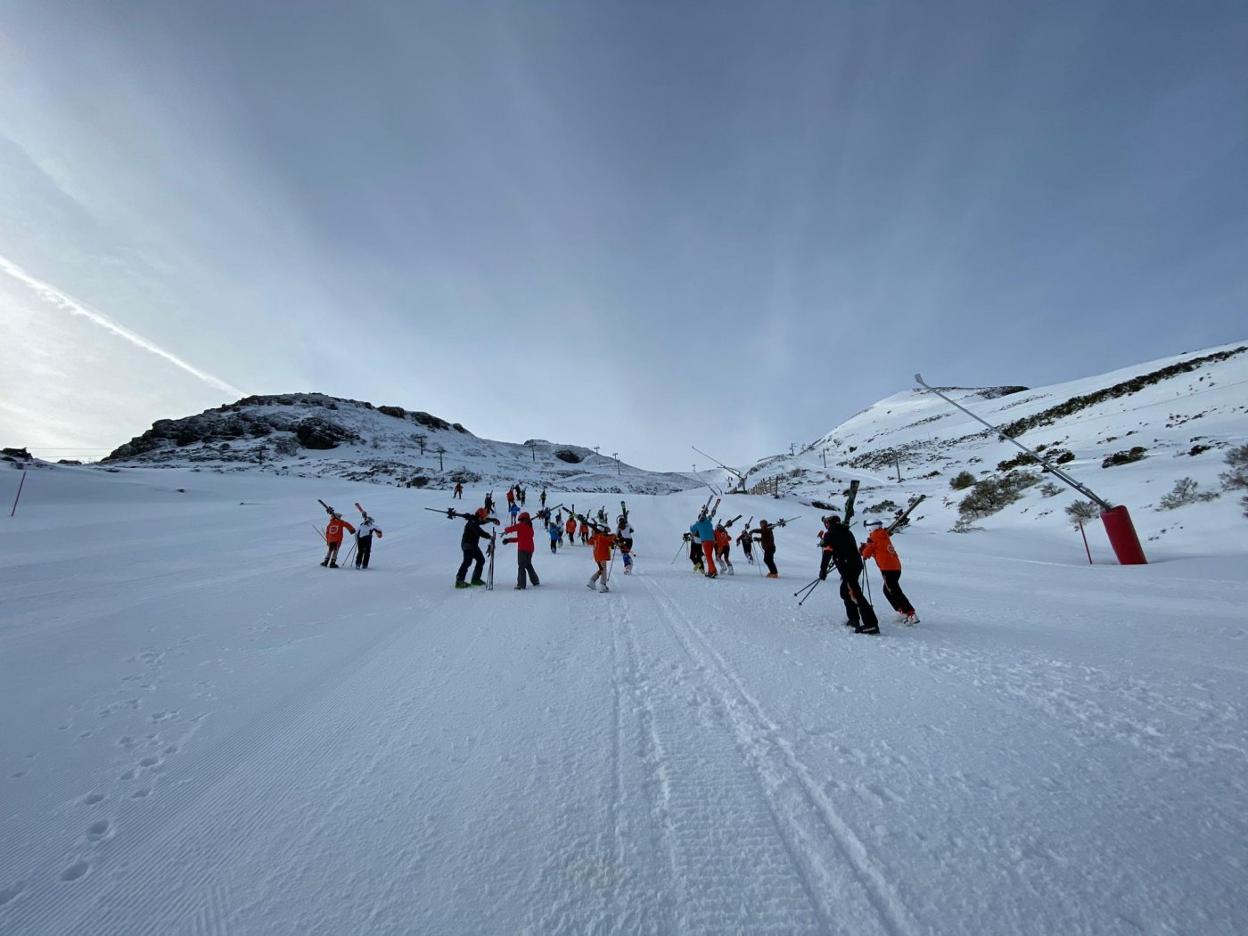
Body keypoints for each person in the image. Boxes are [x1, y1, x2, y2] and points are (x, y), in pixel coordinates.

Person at [819, 516, 879, 634]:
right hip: (855, 565)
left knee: (855, 593)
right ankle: (853, 618)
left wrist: (823, 570)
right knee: (845, 592)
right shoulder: (846, 531)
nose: (825, 525)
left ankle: (871, 624)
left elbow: (827, 552)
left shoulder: (830, 534)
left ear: (829, 523)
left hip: (848, 567)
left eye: (826, 523)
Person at [861, 520, 918, 624]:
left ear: (870, 527)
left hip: (888, 569)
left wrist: (864, 550)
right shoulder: (883, 535)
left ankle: (910, 613)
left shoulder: (874, 537)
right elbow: (877, 548)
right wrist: (867, 546)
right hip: (895, 567)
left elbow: (866, 553)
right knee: (888, 590)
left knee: (894, 591)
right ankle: (902, 611)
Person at [455, 508, 499, 588]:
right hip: (467, 545)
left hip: (473, 545)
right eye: (483, 517)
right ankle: (459, 580)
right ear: (480, 516)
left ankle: (475, 579)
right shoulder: (472, 523)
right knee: (467, 562)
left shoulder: (475, 520)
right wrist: (489, 536)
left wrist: (492, 520)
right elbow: (479, 532)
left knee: (481, 560)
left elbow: (483, 521)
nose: (483, 519)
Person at [503, 511, 540, 590]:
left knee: (521, 566)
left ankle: (521, 584)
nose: (519, 521)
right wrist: (509, 540)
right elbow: (519, 539)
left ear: (524, 519)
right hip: (530, 549)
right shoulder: (529, 527)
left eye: (520, 520)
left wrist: (506, 530)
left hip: (523, 549)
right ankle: (535, 581)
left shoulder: (521, 526)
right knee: (528, 565)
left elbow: (512, 528)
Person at [586, 520, 616, 593]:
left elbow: (590, 542)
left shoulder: (597, 536)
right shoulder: (602, 536)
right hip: (602, 555)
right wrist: (615, 536)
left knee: (601, 569)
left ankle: (592, 580)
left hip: (597, 556)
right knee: (604, 569)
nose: (607, 532)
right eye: (606, 530)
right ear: (603, 529)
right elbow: (610, 538)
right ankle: (603, 585)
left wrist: (592, 535)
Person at [690, 510, 717, 578]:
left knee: (705, 557)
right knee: (708, 557)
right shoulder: (708, 522)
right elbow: (710, 519)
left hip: (705, 541)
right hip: (711, 541)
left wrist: (695, 524)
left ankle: (710, 571)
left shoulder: (698, 523)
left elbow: (692, 529)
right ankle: (712, 570)